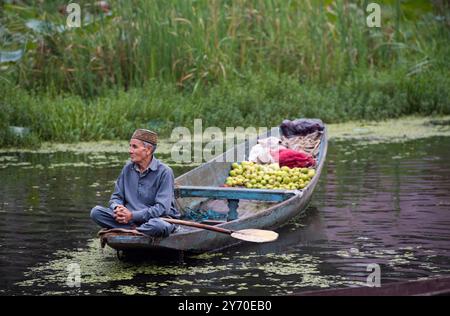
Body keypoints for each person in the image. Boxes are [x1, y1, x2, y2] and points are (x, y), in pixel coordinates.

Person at [90, 129, 180, 237]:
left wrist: (132, 215)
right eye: (130, 146)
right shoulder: (127, 168)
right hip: (129, 221)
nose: (130, 150)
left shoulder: (165, 172)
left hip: (155, 220)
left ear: (148, 150)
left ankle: (130, 230)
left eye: (134, 147)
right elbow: (116, 197)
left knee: (159, 226)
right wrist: (117, 208)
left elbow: (161, 209)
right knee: (96, 212)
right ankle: (137, 230)